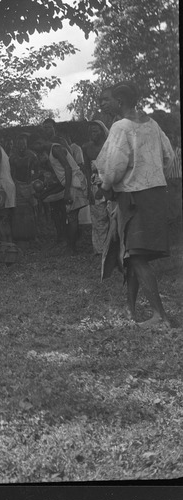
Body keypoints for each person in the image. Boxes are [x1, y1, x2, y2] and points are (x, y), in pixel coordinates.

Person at [95, 82, 174, 328]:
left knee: (136, 256)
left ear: (120, 101)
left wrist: (106, 185)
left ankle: (160, 317)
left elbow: (114, 166)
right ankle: (130, 310)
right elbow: (168, 157)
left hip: (134, 198)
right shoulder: (152, 125)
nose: (103, 105)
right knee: (131, 255)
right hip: (154, 194)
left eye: (107, 100)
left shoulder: (120, 127)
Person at [28, 132, 89, 254]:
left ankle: (71, 248)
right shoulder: (51, 151)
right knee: (71, 216)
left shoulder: (55, 149)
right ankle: (71, 245)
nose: (37, 151)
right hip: (71, 182)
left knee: (72, 217)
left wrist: (66, 192)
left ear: (40, 142)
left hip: (74, 182)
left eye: (36, 147)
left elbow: (68, 168)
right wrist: (45, 193)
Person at [82, 120, 111, 254]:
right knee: (98, 218)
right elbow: (87, 170)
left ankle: (115, 247)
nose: (92, 134)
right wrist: (89, 188)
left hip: (111, 184)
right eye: (90, 131)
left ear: (102, 131)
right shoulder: (86, 148)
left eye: (95, 131)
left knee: (113, 215)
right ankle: (100, 249)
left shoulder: (110, 146)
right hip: (95, 185)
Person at [9, 133, 39, 242]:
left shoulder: (32, 155)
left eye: (23, 143)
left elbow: (37, 171)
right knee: (18, 211)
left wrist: (31, 182)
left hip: (29, 184)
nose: (21, 146)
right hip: (17, 184)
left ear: (27, 144)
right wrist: (14, 185)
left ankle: (34, 235)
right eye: (19, 143)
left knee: (32, 209)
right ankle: (19, 235)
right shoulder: (12, 157)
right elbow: (11, 172)